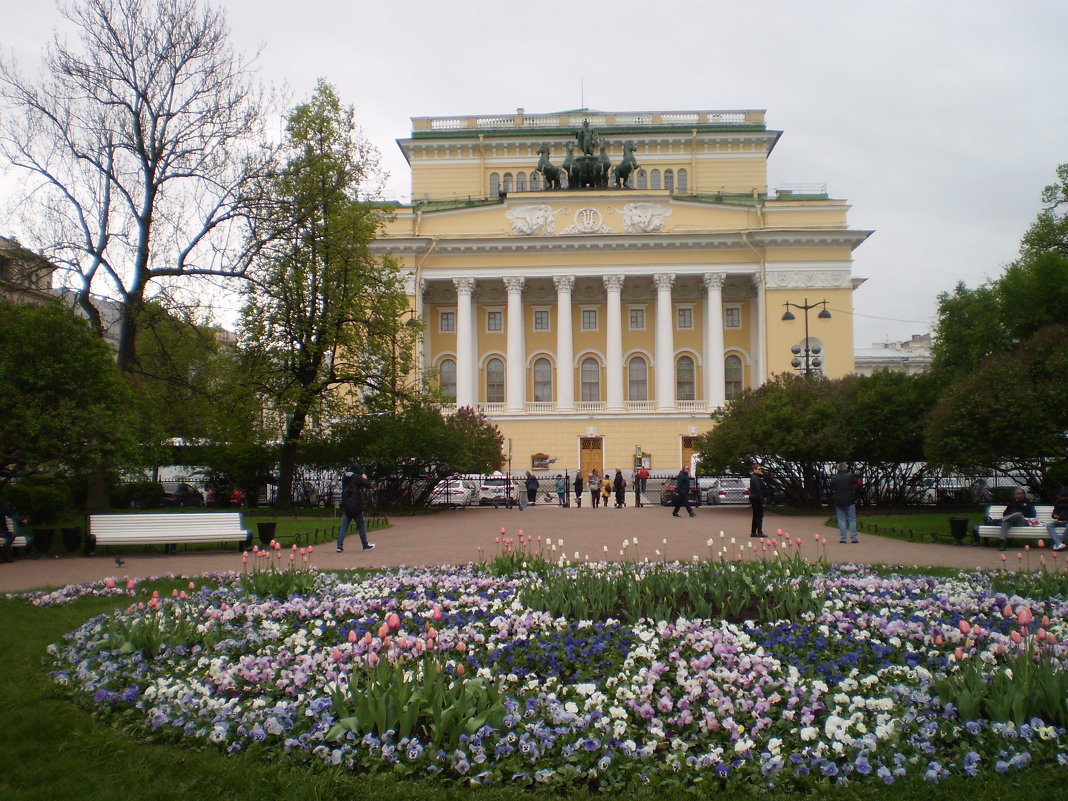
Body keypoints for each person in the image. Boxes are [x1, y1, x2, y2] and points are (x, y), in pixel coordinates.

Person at [336, 464, 374, 553]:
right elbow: (368, 485)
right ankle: (365, 545)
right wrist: (364, 478)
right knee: (361, 525)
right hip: (356, 505)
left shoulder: (345, 477)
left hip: (346, 505)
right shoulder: (356, 477)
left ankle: (339, 546)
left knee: (344, 527)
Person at [828, 462, 860, 544]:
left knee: (841, 520)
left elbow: (831, 487)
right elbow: (856, 484)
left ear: (838, 469)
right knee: (852, 519)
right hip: (850, 500)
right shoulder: (850, 476)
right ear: (845, 468)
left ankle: (843, 539)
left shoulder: (834, 478)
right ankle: (854, 538)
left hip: (839, 501)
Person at [999, 487, 1037, 551]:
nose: (1020, 494)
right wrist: (1011, 516)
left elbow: (1033, 514)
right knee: (1006, 523)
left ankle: (1002, 520)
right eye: (1018, 493)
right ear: (1015, 495)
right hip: (1011, 521)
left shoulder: (1027, 502)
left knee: (1018, 514)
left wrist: (1022, 513)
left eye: (1021, 493)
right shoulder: (1012, 502)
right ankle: (1002, 542)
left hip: (1023, 521)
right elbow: (1005, 513)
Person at [0, 498, 27, 563]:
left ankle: (2, 555)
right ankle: (3, 556)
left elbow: (12, 515)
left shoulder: (2, 506)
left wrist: (22, 520)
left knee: (11, 535)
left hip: (2, 530)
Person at [1047, 486, 1068, 552]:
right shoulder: (1058, 502)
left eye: (1065, 496)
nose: (1063, 498)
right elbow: (1054, 513)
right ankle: (1059, 544)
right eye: (1062, 496)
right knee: (1049, 525)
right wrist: (1055, 516)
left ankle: (1057, 544)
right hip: (1060, 521)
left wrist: (1065, 521)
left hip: (1067, 522)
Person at [749, 462, 766, 537]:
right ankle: (759, 531)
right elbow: (758, 490)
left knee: (755, 515)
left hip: (753, 497)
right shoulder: (756, 478)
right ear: (754, 470)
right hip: (756, 498)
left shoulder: (754, 477)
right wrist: (762, 500)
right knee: (759, 515)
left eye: (761, 468)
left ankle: (753, 532)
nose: (760, 470)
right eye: (759, 469)